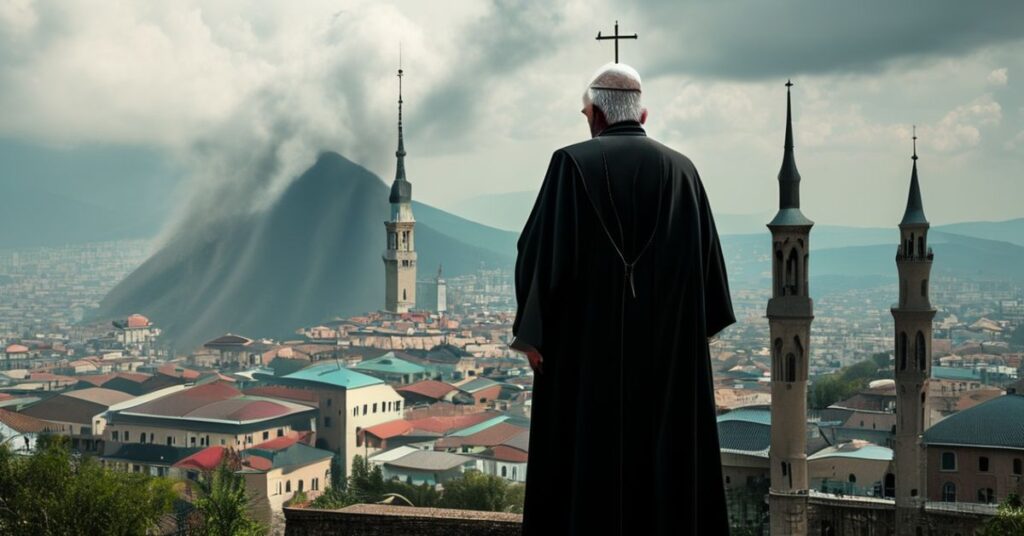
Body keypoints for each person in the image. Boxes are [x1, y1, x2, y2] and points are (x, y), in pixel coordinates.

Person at [511, 62, 736, 535]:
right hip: (667, 368)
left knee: (583, 480)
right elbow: (710, 277)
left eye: (585, 115)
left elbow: (538, 253)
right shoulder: (684, 171)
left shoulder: (570, 164)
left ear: (595, 115)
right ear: (643, 114)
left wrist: (532, 335)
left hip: (585, 365)